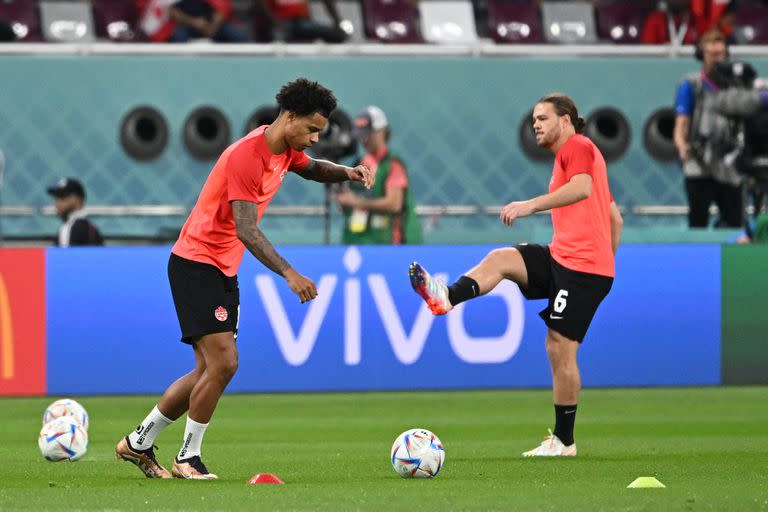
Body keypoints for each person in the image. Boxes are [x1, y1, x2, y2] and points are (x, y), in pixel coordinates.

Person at [115, 78, 374, 480]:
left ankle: (139, 442)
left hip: (221, 268)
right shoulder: (247, 157)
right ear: (288, 117)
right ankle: (188, 457)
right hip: (196, 262)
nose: (315, 137)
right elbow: (246, 229)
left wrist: (349, 173)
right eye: (310, 128)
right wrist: (289, 273)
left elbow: (315, 169)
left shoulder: (285, 150)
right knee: (225, 363)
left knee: (206, 370)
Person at [409, 93, 623, 457]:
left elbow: (583, 189)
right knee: (503, 258)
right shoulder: (569, 159)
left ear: (566, 119)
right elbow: (613, 217)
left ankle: (565, 441)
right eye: (534, 119)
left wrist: (531, 207)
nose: (536, 124)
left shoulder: (579, 146)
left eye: (543, 117)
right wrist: (605, 256)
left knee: (559, 346)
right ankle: (446, 296)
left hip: (582, 269)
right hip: (565, 258)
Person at [674, 30, 743, 228]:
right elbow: (681, 122)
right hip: (698, 162)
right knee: (698, 221)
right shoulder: (690, 84)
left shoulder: (737, 85)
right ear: (701, 55)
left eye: (720, 54)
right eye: (711, 54)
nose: (716, 59)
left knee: (735, 222)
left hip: (729, 163)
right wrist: (681, 146)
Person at [335, 106, 422, 245]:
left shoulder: (392, 163)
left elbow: (394, 204)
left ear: (381, 132)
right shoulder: (359, 163)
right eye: (361, 134)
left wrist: (355, 202)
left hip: (387, 243)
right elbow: (347, 204)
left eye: (368, 133)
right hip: (357, 241)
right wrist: (342, 199)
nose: (364, 139)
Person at [46, 178, 104, 247]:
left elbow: (65, 257)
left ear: (77, 199)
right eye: (56, 198)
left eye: (62, 197)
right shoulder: (93, 229)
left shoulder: (68, 228)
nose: (57, 203)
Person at [261, 0, 347, 43]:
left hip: (303, 22)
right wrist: (276, 22)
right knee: (278, 37)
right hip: (283, 23)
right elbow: (264, 7)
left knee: (338, 35)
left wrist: (337, 20)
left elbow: (328, 2)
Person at [168, 0, 249, 42]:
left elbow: (223, 8)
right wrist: (193, 22)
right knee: (177, 36)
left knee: (239, 36)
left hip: (215, 25)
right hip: (188, 24)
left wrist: (213, 27)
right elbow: (173, 11)